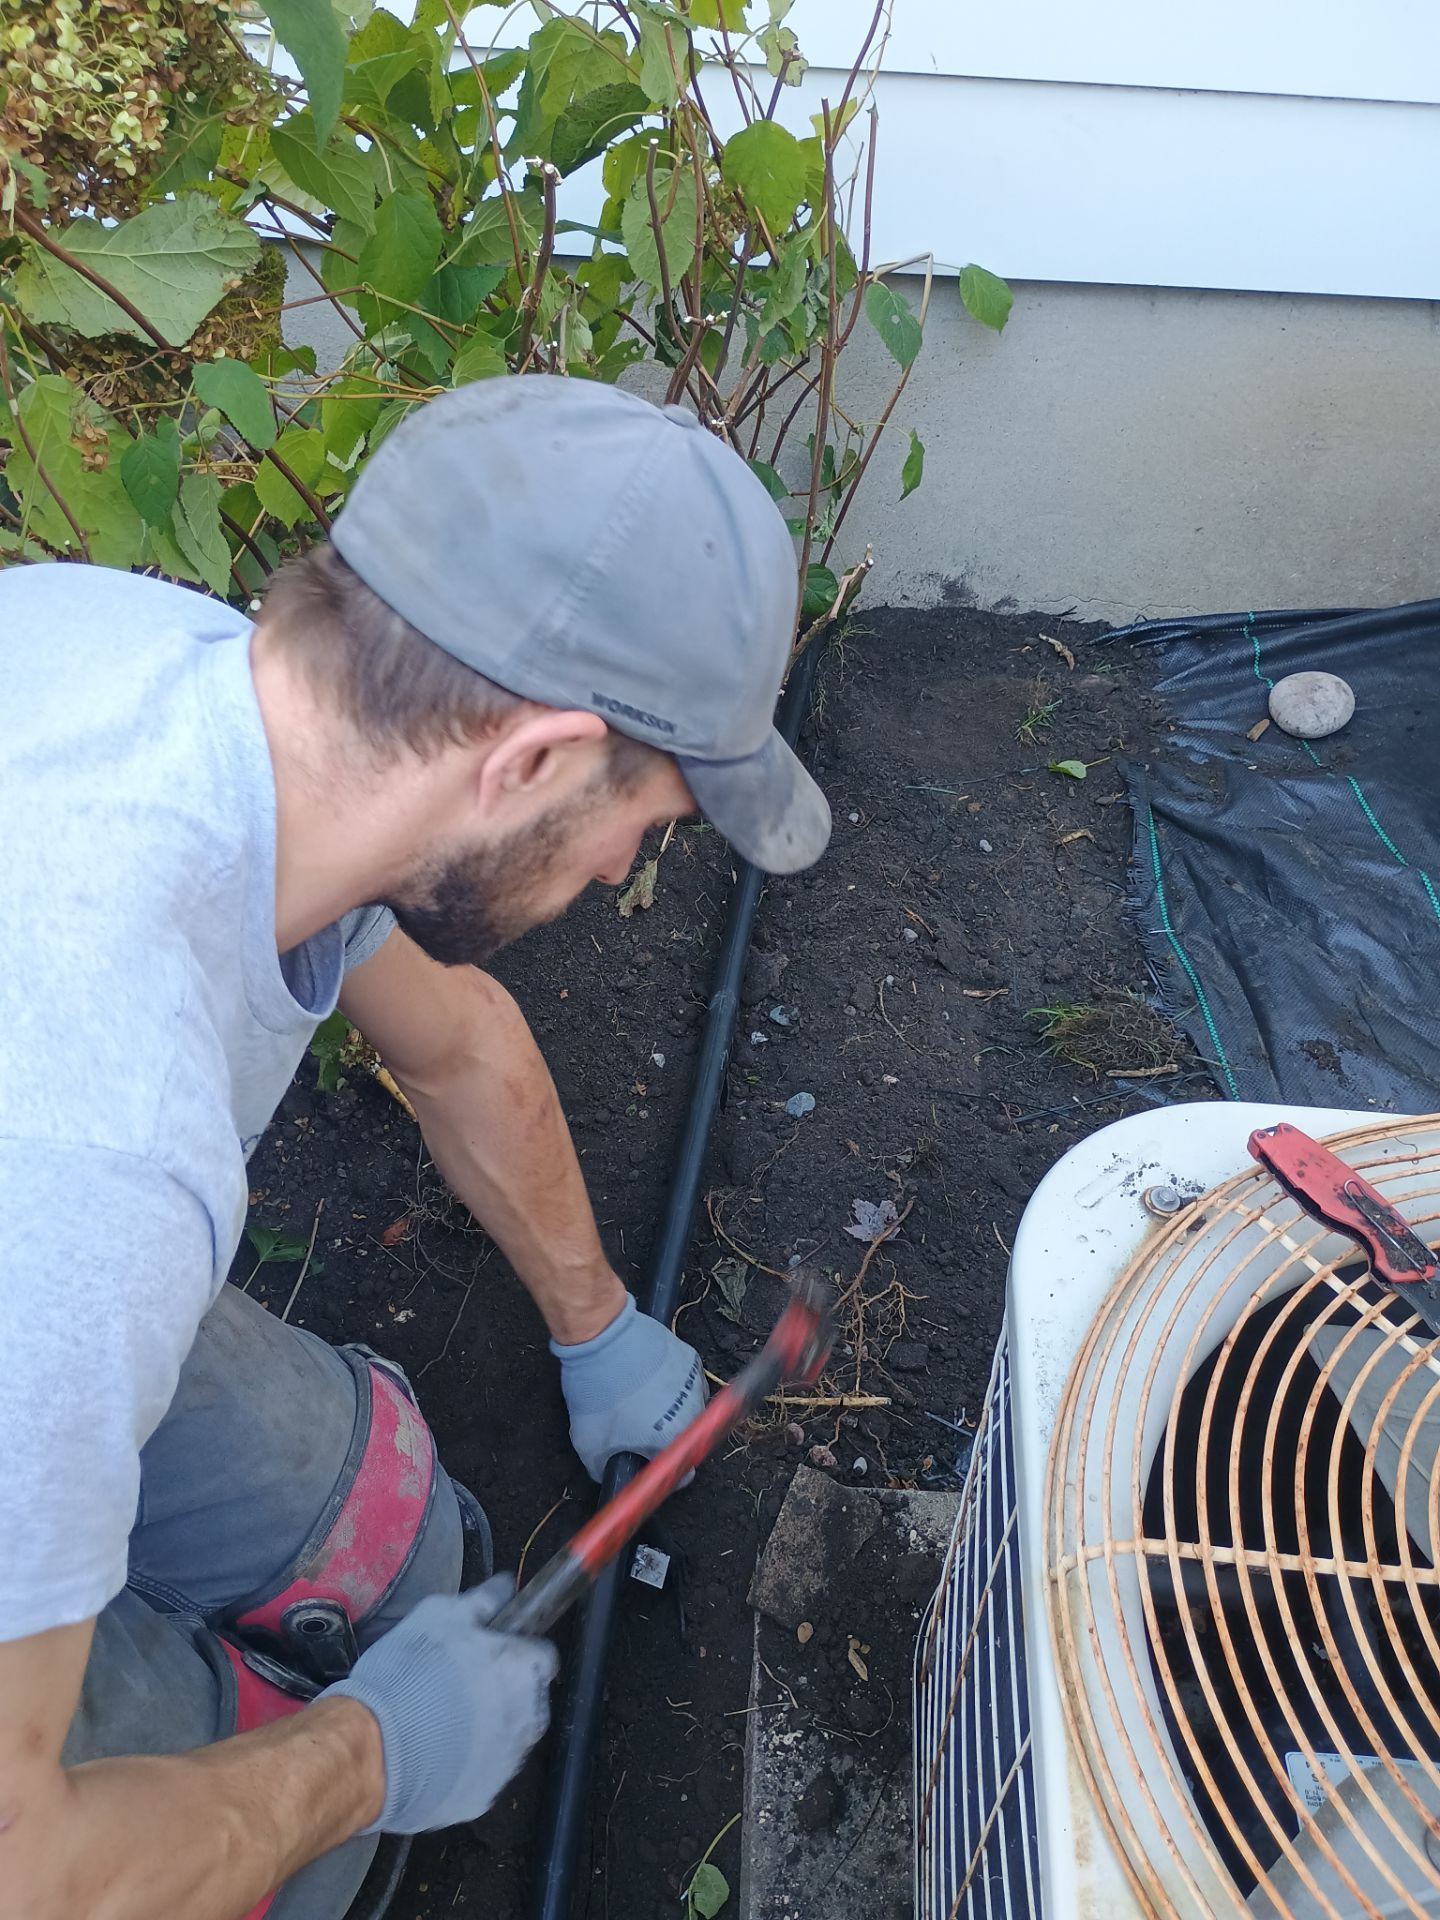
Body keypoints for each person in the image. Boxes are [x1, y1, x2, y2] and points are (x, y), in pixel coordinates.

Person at [0, 376, 832, 1920]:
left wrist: (601, 1332)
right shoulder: (93, 1153)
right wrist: (367, 1759)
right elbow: (22, 1867)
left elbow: (453, 1042)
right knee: (287, 1844)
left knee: (381, 1517)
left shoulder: (172, 674)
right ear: (527, 763)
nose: (617, 865)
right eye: (636, 818)